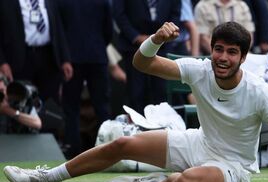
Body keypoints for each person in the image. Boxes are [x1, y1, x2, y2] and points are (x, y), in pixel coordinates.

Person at [3, 22, 268, 182]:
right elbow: (142, 63)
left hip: (233, 168)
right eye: (218, 49)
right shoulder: (199, 70)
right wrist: (155, 39)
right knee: (122, 144)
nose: (223, 57)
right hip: (197, 143)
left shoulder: (260, 91)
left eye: (232, 52)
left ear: (242, 57)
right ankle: (46, 180)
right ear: (211, 50)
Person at [57, 0, 113, 158]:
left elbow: (59, 30)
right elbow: (108, 31)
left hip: (71, 58)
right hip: (97, 56)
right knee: (102, 106)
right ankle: (108, 149)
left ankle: (72, 151)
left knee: (71, 108)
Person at [112, 0, 181, 114]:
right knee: (136, 92)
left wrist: (163, 37)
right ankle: (137, 128)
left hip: (163, 47)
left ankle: (161, 128)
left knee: (161, 93)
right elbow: (119, 14)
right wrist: (136, 37)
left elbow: (175, 13)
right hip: (133, 47)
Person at [0, 0, 73, 104]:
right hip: (21, 59)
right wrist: (2, 62)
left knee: (50, 103)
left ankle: (46, 120)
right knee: (21, 102)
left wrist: (65, 59)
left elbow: (58, 28)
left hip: (48, 56)